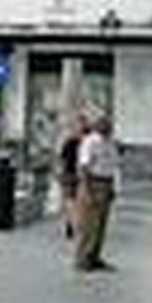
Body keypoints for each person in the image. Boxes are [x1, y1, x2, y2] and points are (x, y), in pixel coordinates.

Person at [75, 115, 121, 272]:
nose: (109, 129)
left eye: (109, 126)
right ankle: (82, 259)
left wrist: (113, 188)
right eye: (105, 126)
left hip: (106, 183)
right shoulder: (90, 142)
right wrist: (87, 189)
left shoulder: (110, 143)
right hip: (92, 183)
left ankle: (94, 256)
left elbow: (113, 167)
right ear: (98, 126)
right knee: (88, 224)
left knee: (101, 224)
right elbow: (84, 167)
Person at [57, 116, 87, 240]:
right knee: (76, 202)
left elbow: (62, 160)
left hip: (70, 174)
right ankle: (75, 225)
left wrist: (59, 172)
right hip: (76, 175)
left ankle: (71, 224)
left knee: (70, 202)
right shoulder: (86, 142)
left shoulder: (69, 142)